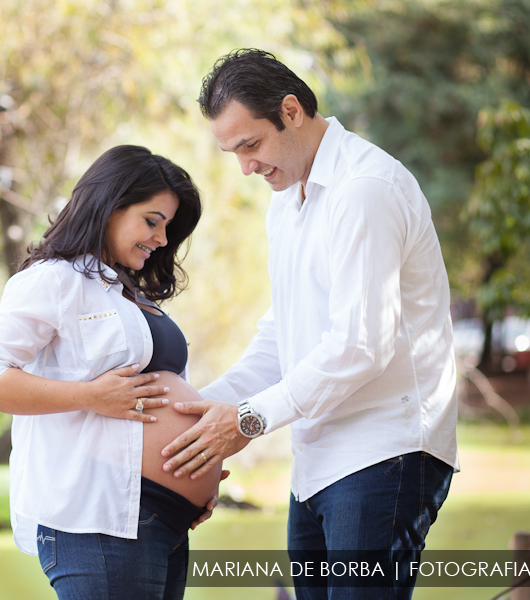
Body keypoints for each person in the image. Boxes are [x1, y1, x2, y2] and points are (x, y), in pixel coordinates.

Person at [159, 49, 459, 599]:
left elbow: (360, 345)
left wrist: (247, 421)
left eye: (250, 146)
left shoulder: (364, 190)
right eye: (233, 153)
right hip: (317, 460)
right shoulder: (287, 201)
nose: (245, 167)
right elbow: (282, 337)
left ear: (291, 111)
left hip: (383, 452)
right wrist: (199, 412)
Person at [0, 145, 224, 599]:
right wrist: (89, 396)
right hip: (97, 523)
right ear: (109, 204)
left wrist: (199, 465)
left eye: (168, 227)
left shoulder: (125, 293)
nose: (162, 239)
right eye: (152, 220)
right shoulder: (54, 280)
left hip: (163, 518)